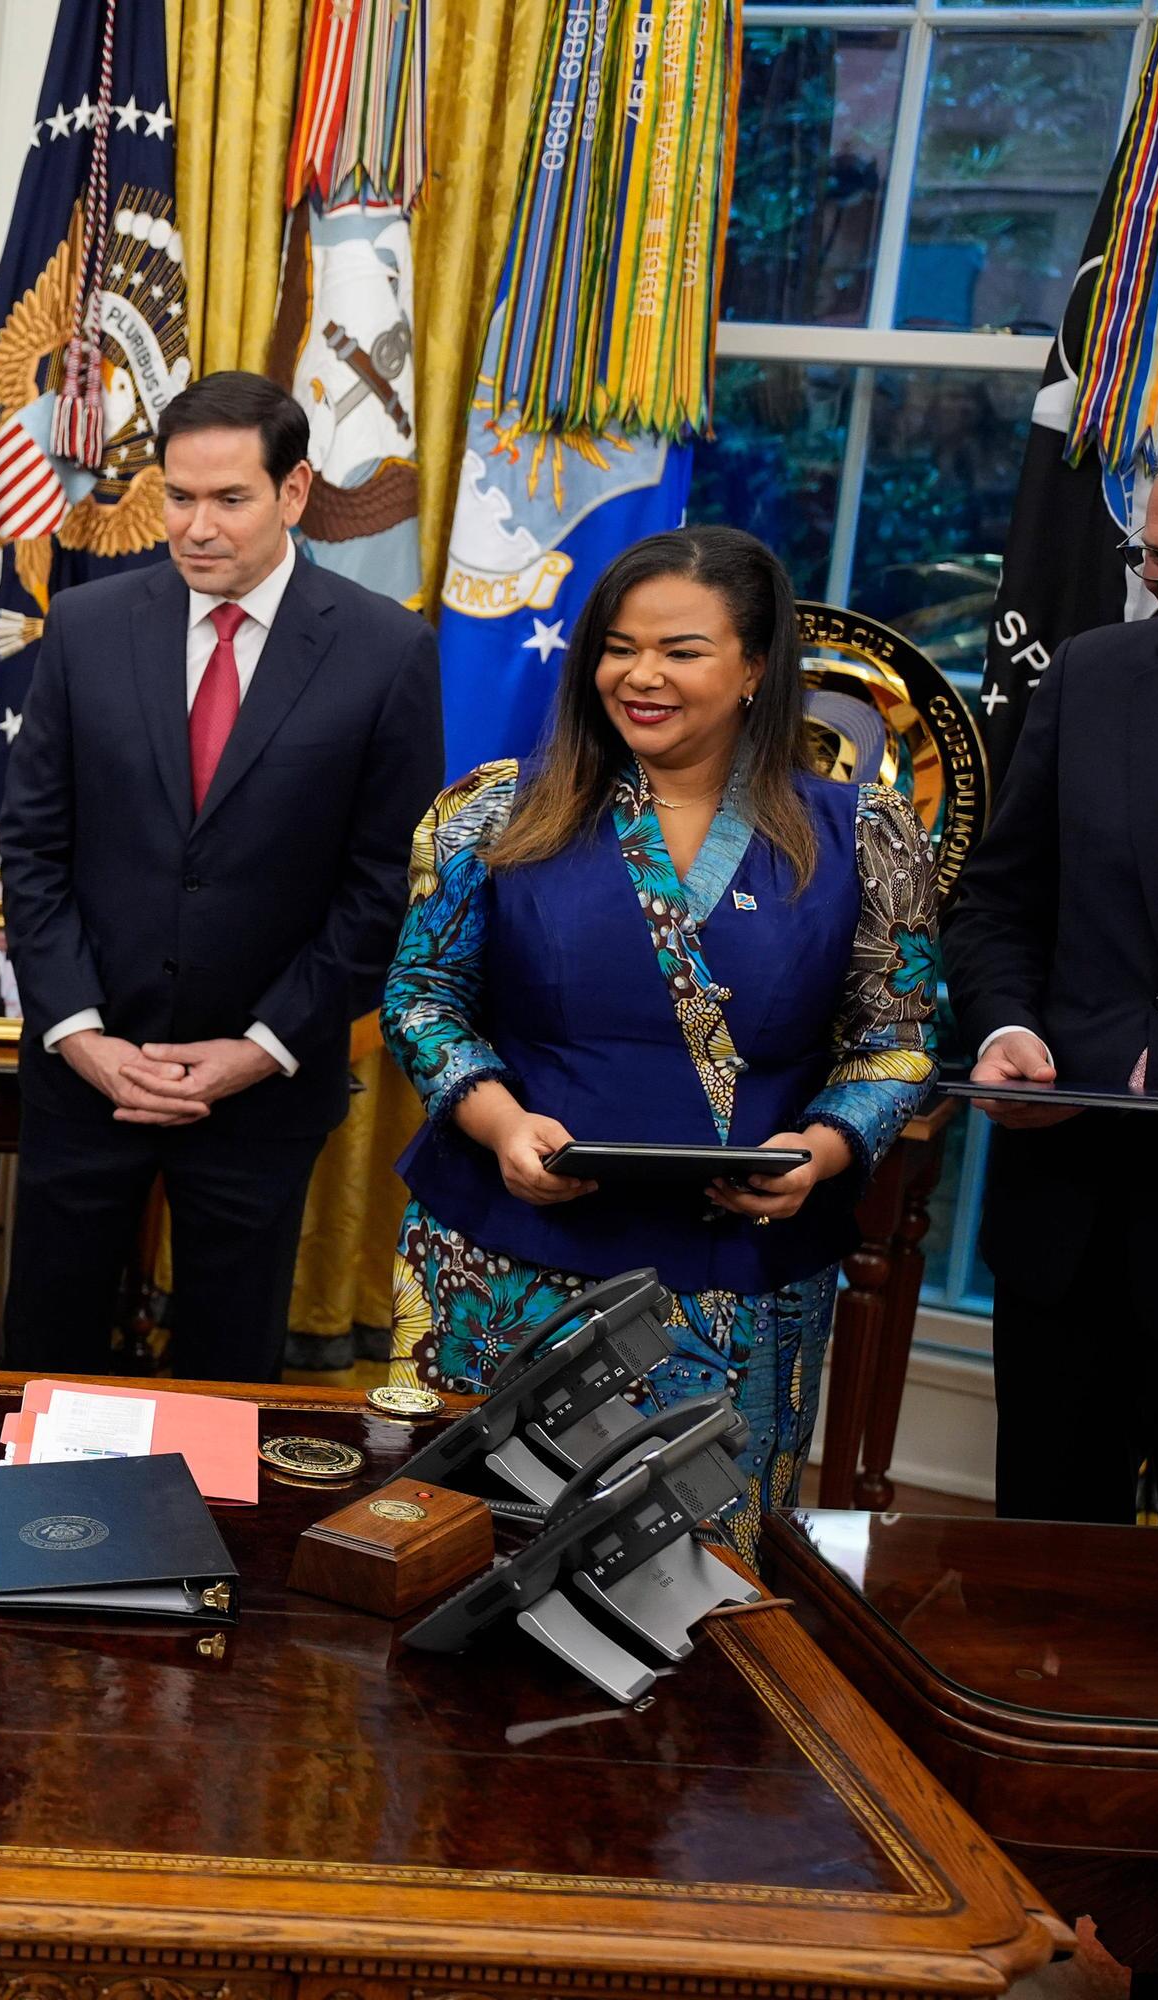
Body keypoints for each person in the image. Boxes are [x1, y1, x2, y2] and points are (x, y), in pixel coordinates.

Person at [380, 526, 938, 1546]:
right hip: (499, 1260)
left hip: (743, 1273)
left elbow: (896, 1040)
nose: (641, 676)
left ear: (755, 667)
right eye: (618, 648)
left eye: (681, 651)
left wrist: (818, 1152)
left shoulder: (864, 833)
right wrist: (501, 1123)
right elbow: (421, 998)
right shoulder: (492, 810)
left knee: (697, 1578)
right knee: (469, 1555)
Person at [0, 370, 447, 1383]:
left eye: (229, 498)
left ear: (294, 492)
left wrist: (257, 1048)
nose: (197, 527)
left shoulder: (386, 651)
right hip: (86, 1074)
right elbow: (33, 847)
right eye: (179, 496)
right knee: (46, 1359)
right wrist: (82, 1035)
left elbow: (386, 884)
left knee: (226, 1379)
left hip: (262, 1088)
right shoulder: (86, 625)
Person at [947, 395, 1158, 1528]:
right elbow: (1000, 903)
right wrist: (1007, 1027)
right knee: (1044, 1585)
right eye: (1155, 557)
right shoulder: (1095, 673)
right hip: (1067, 1239)